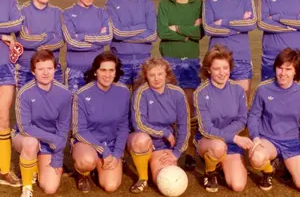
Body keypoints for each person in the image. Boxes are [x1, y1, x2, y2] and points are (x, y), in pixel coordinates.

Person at [248, 48, 300, 193]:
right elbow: (253, 116)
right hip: (268, 140)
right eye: (280, 68)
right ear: (275, 68)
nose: (283, 73)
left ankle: (285, 164)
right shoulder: (263, 89)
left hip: (292, 143)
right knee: (257, 158)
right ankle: (268, 170)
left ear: (296, 71)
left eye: (288, 69)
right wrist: (255, 137)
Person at [158, 0, 204, 170]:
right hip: (169, 60)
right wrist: (188, 32)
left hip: (191, 61)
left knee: (188, 107)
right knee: (169, 107)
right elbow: (162, 31)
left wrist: (177, 29)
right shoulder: (165, 5)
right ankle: (169, 147)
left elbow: (201, 32)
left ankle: (190, 151)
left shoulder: (199, 5)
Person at [194, 44, 252, 192]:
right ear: (208, 70)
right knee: (218, 146)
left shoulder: (238, 90)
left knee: (238, 186)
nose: (222, 73)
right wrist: (234, 138)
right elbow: (206, 129)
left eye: (225, 68)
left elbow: (242, 119)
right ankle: (210, 171)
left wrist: (227, 136)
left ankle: (222, 164)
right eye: (217, 68)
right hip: (208, 141)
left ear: (230, 68)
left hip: (230, 140)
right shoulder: (201, 92)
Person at [13, 50, 72, 197]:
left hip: (49, 144)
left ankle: (33, 165)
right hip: (26, 138)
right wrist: (53, 139)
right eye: (40, 69)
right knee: (31, 143)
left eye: (49, 68)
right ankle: (27, 187)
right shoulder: (24, 93)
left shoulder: (64, 93)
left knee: (50, 188)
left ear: (55, 68)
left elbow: (63, 128)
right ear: (33, 71)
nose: (45, 73)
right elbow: (24, 127)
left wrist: (58, 159)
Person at [127, 58, 190, 193]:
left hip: (164, 144)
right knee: (141, 139)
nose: (156, 78)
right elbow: (139, 124)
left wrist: (176, 153)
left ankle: (151, 165)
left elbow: (184, 125)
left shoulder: (177, 93)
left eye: (160, 74)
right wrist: (164, 133)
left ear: (166, 74)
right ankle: (142, 177)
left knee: (164, 179)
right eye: (152, 75)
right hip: (144, 139)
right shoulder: (141, 93)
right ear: (146, 76)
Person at [71, 51, 129, 193]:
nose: (107, 74)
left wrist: (116, 154)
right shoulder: (82, 94)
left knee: (110, 186)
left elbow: (123, 126)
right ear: (95, 72)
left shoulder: (123, 92)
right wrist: (104, 151)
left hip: (110, 145)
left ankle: (99, 167)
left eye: (111, 70)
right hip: (87, 143)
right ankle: (83, 174)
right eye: (103, 70)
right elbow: (79, 130)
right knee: (86, 161)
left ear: (116, 72)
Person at [203, 0, 256, 100]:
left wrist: (222, 22)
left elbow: (250, 24)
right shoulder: (209, 0)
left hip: (241, 57)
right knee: (217, 103)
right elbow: (208, 28)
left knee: (242, 103)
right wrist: (238, 24)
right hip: (216, 59)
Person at [105, 0, 157, 87]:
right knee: (120, 99)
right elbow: (117, 33)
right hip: (120, 59)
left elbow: (152, 35)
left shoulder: (147, 4)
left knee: (141, 99)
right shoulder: (111, 4)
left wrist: (125, 37)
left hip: (144, 60)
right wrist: (141, 27)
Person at [62, 0, 112, 93]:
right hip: (75, 71)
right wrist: (97, 43)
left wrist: (82, 36)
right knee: (74, 108)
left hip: (97, 70)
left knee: (96, 109)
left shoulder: (102, 12)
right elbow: (71, 42)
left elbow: (107, 38)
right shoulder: (67, 14)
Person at [16, 0, 64, 90]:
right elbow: (24, 40)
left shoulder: (58, 12)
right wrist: (48, 36)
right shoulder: (21, 12)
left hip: (53, 70)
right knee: (28, 108)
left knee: (55, 107)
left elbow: (60, 40)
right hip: (26, 70)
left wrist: (37, 41)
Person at [0, 0, 23, 187]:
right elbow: (8, 27)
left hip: (4, 66)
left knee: (4, 118)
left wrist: (8, 32)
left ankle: (4, 170)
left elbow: (17, 22)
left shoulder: (10, 2)